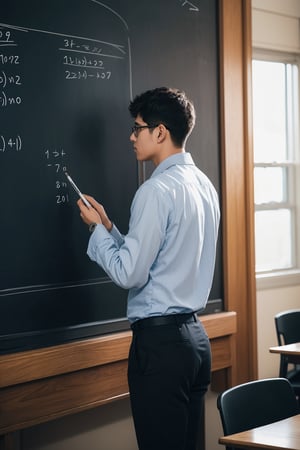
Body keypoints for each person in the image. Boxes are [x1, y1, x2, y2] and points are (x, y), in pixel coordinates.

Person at [77, 87, 220, 450]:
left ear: (160, 132)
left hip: (161, 347)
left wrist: (96, 232)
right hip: (195, 341)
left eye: (137, 127)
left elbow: (130, 274)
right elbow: (160, 258)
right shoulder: (204, 185)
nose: (130, 136)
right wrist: (110, 228)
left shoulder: (156, 191)